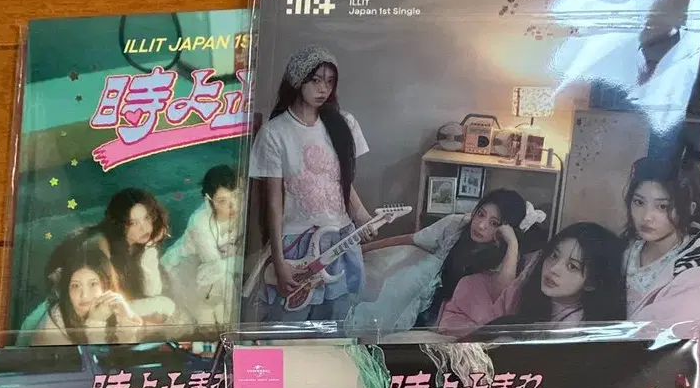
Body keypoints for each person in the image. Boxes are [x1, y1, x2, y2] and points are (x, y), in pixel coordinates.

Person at [248, 45, 376, 322]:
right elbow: (274, 203)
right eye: (315, 80)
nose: (323, 89)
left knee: (336, 324)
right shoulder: (275, 133)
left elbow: (341, 183)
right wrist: (279, 261)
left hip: (340, 238)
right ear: (297, 80)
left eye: (329, 82)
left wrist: (363, 217)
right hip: (297, 244)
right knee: (288, 326)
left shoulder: (344, 124)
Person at [351, 189, 546, 334]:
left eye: (494, 223)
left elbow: (500, 294)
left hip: (456, 318)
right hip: (424, 300)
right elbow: (411, 238)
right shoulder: (456, 224)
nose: (481, 225)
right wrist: (361, 249)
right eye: (480, 214)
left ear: (506, 228)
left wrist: (512, 243)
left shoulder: (507, 255)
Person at [445, 223, 626, 336]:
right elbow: (489, 329)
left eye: (572, 266)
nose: (554, 269)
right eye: (554, 256)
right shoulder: (523, 289)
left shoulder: (578, 328)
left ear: (591, 283)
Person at [622, 155, 700, 326]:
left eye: (662, 207)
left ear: (690, 209)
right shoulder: (625, 249)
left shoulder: (697, 265)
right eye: (639, 202)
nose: (646, 217)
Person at [161, 164, 243, 330]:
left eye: (236, 195)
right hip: (180, 269)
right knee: (196, 323)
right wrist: (240, 257)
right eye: (222, 201)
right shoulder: (200, 221)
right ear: (209, 199)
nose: (233, 205)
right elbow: (215, 265)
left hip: (208, 270)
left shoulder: (243, 208)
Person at [31, 243, 142, 345]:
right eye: (75, 286)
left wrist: (126, 317)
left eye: (93, 284)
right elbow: (90, 359)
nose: (84, 295)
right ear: (67, 290)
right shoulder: (54, 326)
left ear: (106, 286)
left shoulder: (112, 306)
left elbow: (126, 356)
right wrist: (95, 323)